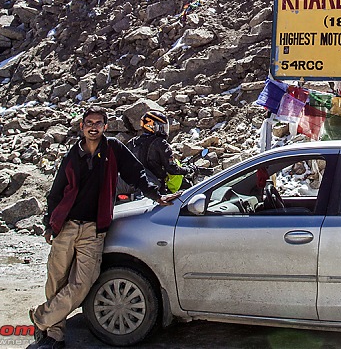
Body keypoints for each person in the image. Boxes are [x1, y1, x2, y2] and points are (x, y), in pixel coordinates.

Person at [28, 106, 177, 349]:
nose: (94, 126)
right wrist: (49, 223)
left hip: (92, 229)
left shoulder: (114, 149)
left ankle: (41, 317)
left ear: (105, 127)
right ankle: (54, 335)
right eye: (89, 122)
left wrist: (157, 195)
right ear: (82, 126)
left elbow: (136, 173)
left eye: (99, 122)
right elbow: (57, 191)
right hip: (66, 225)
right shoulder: (73, 153)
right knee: (56, 279)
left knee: (82, 282)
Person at [127, 110, 212, 193]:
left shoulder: (132, 142)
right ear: (154, 126)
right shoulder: (160, 142)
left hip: (134, 186)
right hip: (155, 187)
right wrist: (189, 169)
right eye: (162, 127)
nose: (164, 130)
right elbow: (172, 169)